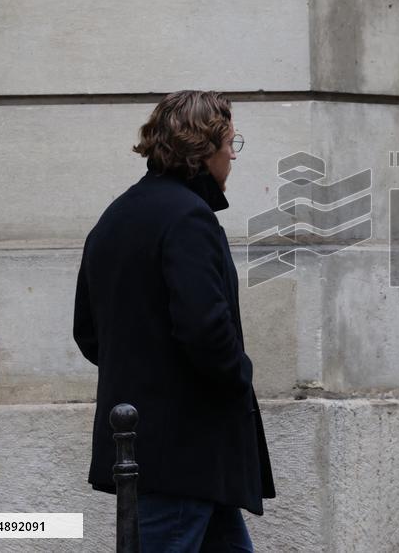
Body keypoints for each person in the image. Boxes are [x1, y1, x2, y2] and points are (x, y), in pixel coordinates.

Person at [73, 90, 275, 552]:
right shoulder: (188, 218)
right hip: (186, 453)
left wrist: (145, 372)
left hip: (158, 451)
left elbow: (87, 332)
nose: (232, 154)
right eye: (230, 141)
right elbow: (205, 330)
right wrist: (240, 375)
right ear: (202, 147)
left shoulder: (116, 216)